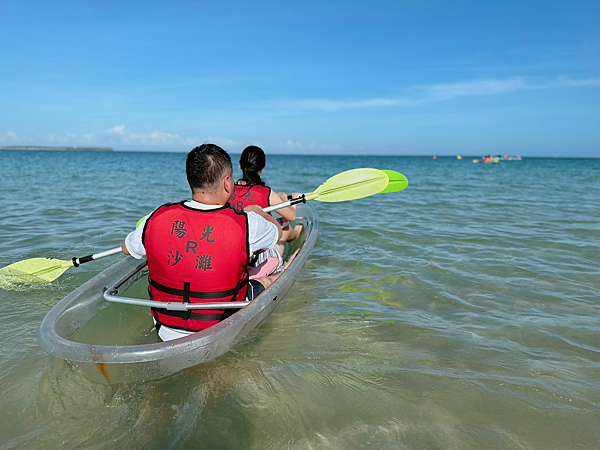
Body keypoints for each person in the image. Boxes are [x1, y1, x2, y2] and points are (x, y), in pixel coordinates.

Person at [122, 144, 292, 342]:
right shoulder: (246, 222)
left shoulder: (156, 217)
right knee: (267, 280)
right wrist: (258, 212)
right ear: (227, 183)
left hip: (165, 328)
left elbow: (127, 249)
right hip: (220, 328)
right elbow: (278, 233)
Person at [229, 145, 304, 266]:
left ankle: (295, 233)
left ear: (240, 165)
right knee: (283, 227)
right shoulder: (266, 193)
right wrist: (290, 201)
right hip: (257, 256)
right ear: (262, 169)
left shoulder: (228, 190)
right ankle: (295, 234)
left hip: (235, 249)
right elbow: (291, 216)